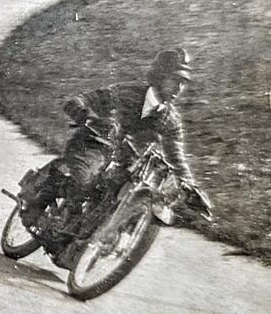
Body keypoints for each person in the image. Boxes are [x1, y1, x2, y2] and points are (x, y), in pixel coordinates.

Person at [22, 48, 207, 228]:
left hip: (124, 163)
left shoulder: (171, 120)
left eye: (183, 83)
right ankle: (36, 205)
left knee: (121, 198)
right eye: (174, 80)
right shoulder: (127, 93)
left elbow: (177, 156)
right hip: (93, 144)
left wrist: (190, 186)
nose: (179, 88)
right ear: (160, 75)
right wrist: (83, 113)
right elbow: (85, 99)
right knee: (83, 179)